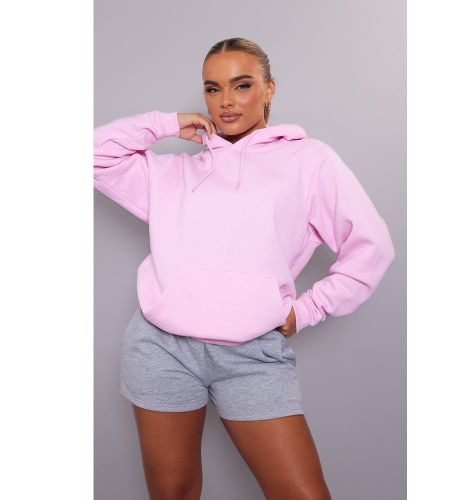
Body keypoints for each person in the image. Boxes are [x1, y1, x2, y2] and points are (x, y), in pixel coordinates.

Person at [94, 37, 395, 500]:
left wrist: (308, 309)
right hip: (162, 347)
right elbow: (92, 153)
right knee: (173, 493)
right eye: (213, 88)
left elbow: (371, 246)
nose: (226, 101)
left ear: (269, 89)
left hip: (251, 354)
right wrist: (164, 124)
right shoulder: (173, 173)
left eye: (241, 85)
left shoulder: (310, 161)